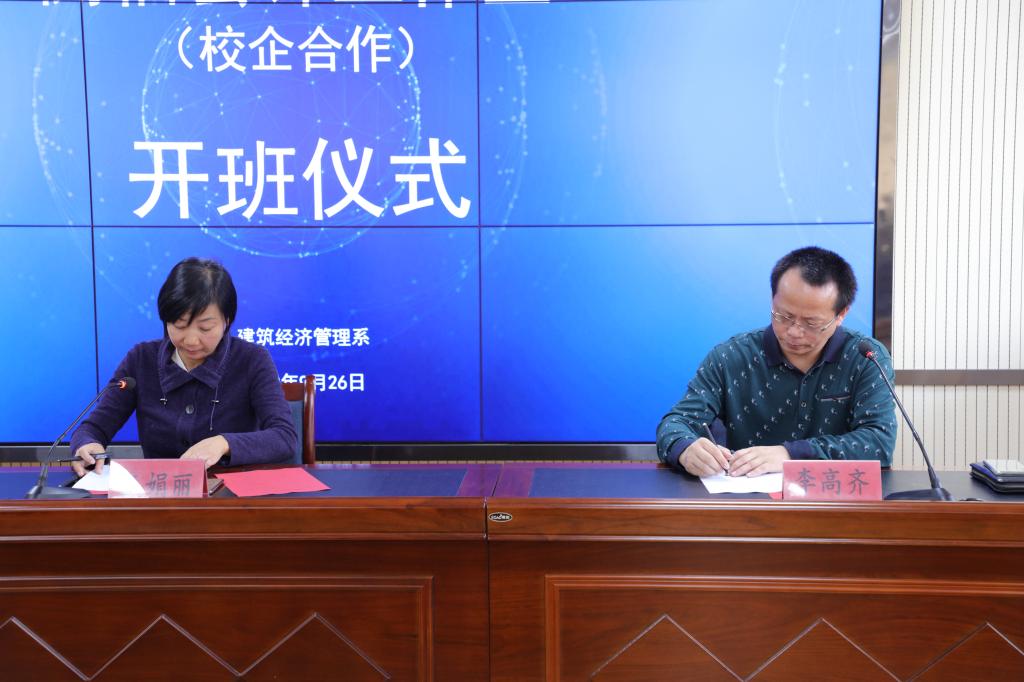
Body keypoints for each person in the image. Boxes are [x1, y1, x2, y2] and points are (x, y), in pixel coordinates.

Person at [656, 246, 897, 477]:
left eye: (811, 323)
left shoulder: (865, 358)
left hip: (834, 498)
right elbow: (675, 424)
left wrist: (790, 454)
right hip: (748, 497)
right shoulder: (731, 357)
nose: (794, 331)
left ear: (841, 314)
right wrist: (685, 448)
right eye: (784, 316)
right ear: (773, 300)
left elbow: (879, 442)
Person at [69, 258, 297, 475]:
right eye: (179, 325)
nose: (191, 340)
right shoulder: (141, 359)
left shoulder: (252, 359)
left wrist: (224, 443)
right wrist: (86, 444)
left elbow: (284, 437)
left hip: (231, 495)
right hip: (160, 493)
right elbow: (93, 428)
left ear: (227, 321)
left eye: (205, 328)